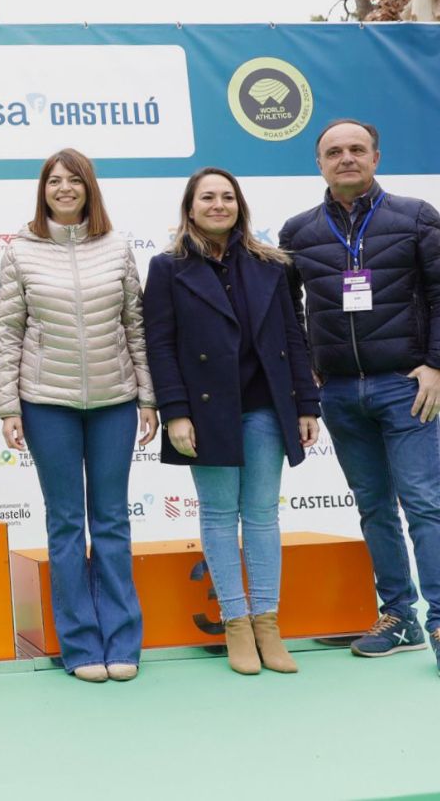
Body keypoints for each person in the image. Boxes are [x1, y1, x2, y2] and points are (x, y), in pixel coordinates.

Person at [144, 167, 321, 675]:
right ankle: (236, 623)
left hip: (267, 406)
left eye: (227, 197)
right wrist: (175, 412)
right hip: (205, 411)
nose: (218, 204)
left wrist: (307, 405)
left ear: (239, 205)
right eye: (207, 197)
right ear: (190, 206)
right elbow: (160, 344)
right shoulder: (166, 268)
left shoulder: (272, 265)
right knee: (220, 517)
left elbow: (295, 337)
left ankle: (268, 623)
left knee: (262, 514)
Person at [280, 118, 440, 672]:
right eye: (333, 151)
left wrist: (436, 366)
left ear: (375, 156)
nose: (345, 158)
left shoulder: (417, 217)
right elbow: (282, 314)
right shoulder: (298, 232)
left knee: (423, 503)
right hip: (341, 393)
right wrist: (308, 375)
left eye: (356, 149)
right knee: (374, 508)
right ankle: (400, 618)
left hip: (406, 388)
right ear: (318, 163)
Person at [0, 148, 157, 683]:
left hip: (115, 401)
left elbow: (136, 326)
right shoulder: (20, 250)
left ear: (89, 188)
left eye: (74, 181)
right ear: (42, 189)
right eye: (54, 181)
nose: (64, 189)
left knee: (111, 522)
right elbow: (7, 333)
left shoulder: (117, 246)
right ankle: (81, 646)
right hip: (47, 404)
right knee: (66, 524)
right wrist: (9, 406)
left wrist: (149, 397)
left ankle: (122, 641)